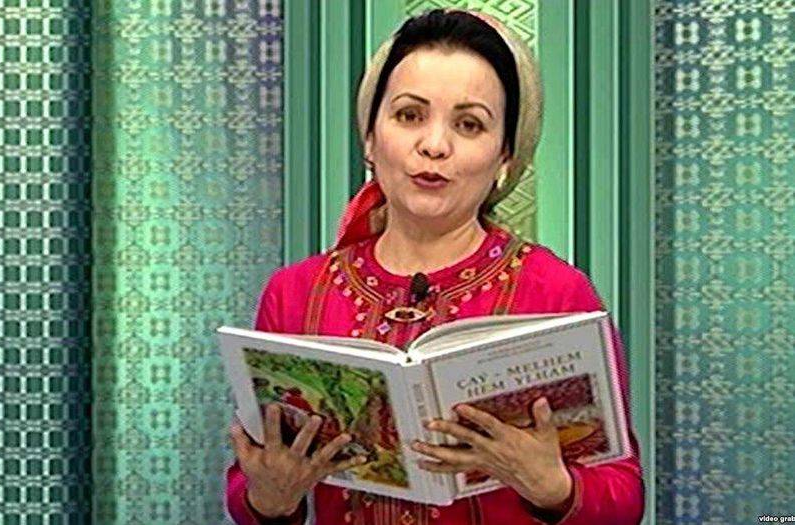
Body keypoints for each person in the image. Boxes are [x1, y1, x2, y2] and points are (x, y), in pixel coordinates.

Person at [225, 8, 644, 524]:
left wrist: (551, 485)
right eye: (409, 116)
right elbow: (247, 487)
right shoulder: (295, 293)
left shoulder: (557, 292)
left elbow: (624, 497)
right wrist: (270, 497)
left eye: (469, 125)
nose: (434, 145)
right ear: (370, 138)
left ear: (505, 156)